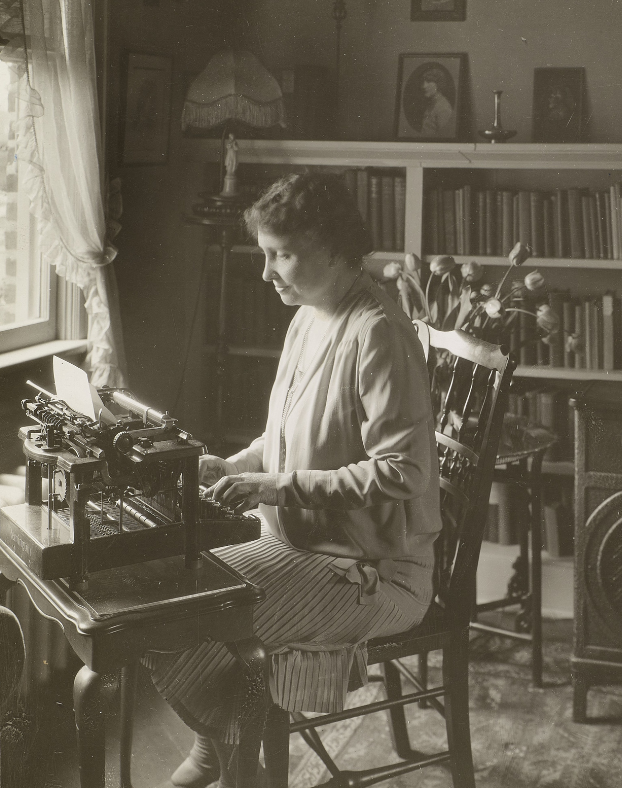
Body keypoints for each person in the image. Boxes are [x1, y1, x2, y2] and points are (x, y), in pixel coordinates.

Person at [147, 173, 443, 788]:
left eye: (282, 254)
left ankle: (230, 767)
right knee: (160, 598)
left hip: (373, 570)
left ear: (335, 248)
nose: (268, 273)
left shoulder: (378, 333)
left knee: (191, 619)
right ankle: (225, 755)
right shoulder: (308, 316)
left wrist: (277, 488)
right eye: (266, 254)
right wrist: (235, 466)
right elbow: (280, 437)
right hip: (299, 547)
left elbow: (403, 472)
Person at [420, 68, 454, 136]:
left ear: (438, 84)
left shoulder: (443, 107)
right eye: (423, 82)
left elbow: (444, 136)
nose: (424, 86)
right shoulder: (432, 103)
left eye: (429, 81)